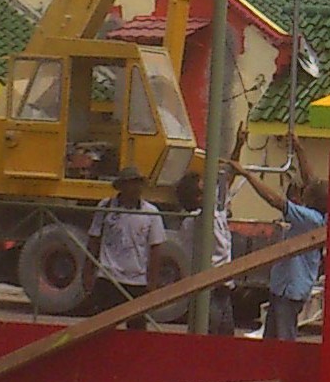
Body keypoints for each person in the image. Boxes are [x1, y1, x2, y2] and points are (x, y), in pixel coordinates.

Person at [229, 138, 325, 340]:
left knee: (283, 340)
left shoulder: (310, 219)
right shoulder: (317, 216)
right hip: (284, 288)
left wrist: (247, 175)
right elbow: (311, 180)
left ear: (311, 199)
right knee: (272, 340)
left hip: (289, 290)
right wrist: (299, 148)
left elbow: (275, 200)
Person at [176, 123, 245, 335]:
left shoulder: (213, 211)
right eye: (204, 187)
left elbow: (227, 179)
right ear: (197, 197)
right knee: (207, 335)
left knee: (224, 336)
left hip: (223, 287)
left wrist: (239, 145)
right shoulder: (196, 220)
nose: (210, 188)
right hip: (209, 289)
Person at [85, 165, 166, 328]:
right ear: (122, 186)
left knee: (137, 330)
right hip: (108, 277)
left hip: (137, 281)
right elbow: (94, 240)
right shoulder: (106, 207)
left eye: (138, 183)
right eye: (131, 183)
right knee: (101, 327)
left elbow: (156, 249)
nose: (136, 188)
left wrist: (152, 282)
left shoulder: (151, 212)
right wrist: (87, 272)